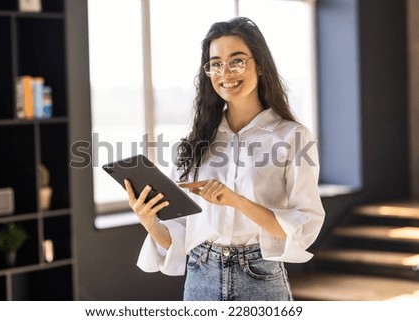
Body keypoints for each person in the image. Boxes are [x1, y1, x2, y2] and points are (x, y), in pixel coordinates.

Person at [124, 17, 325, 301]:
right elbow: (178, 238)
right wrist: (150, 222)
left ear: (260, 64)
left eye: (237, 61)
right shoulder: (197, 140)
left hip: (260, 280)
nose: (225, 72)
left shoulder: (292, 136)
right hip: (200, 278)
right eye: (216, 63)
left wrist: (236, 201)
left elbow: (303, 228)